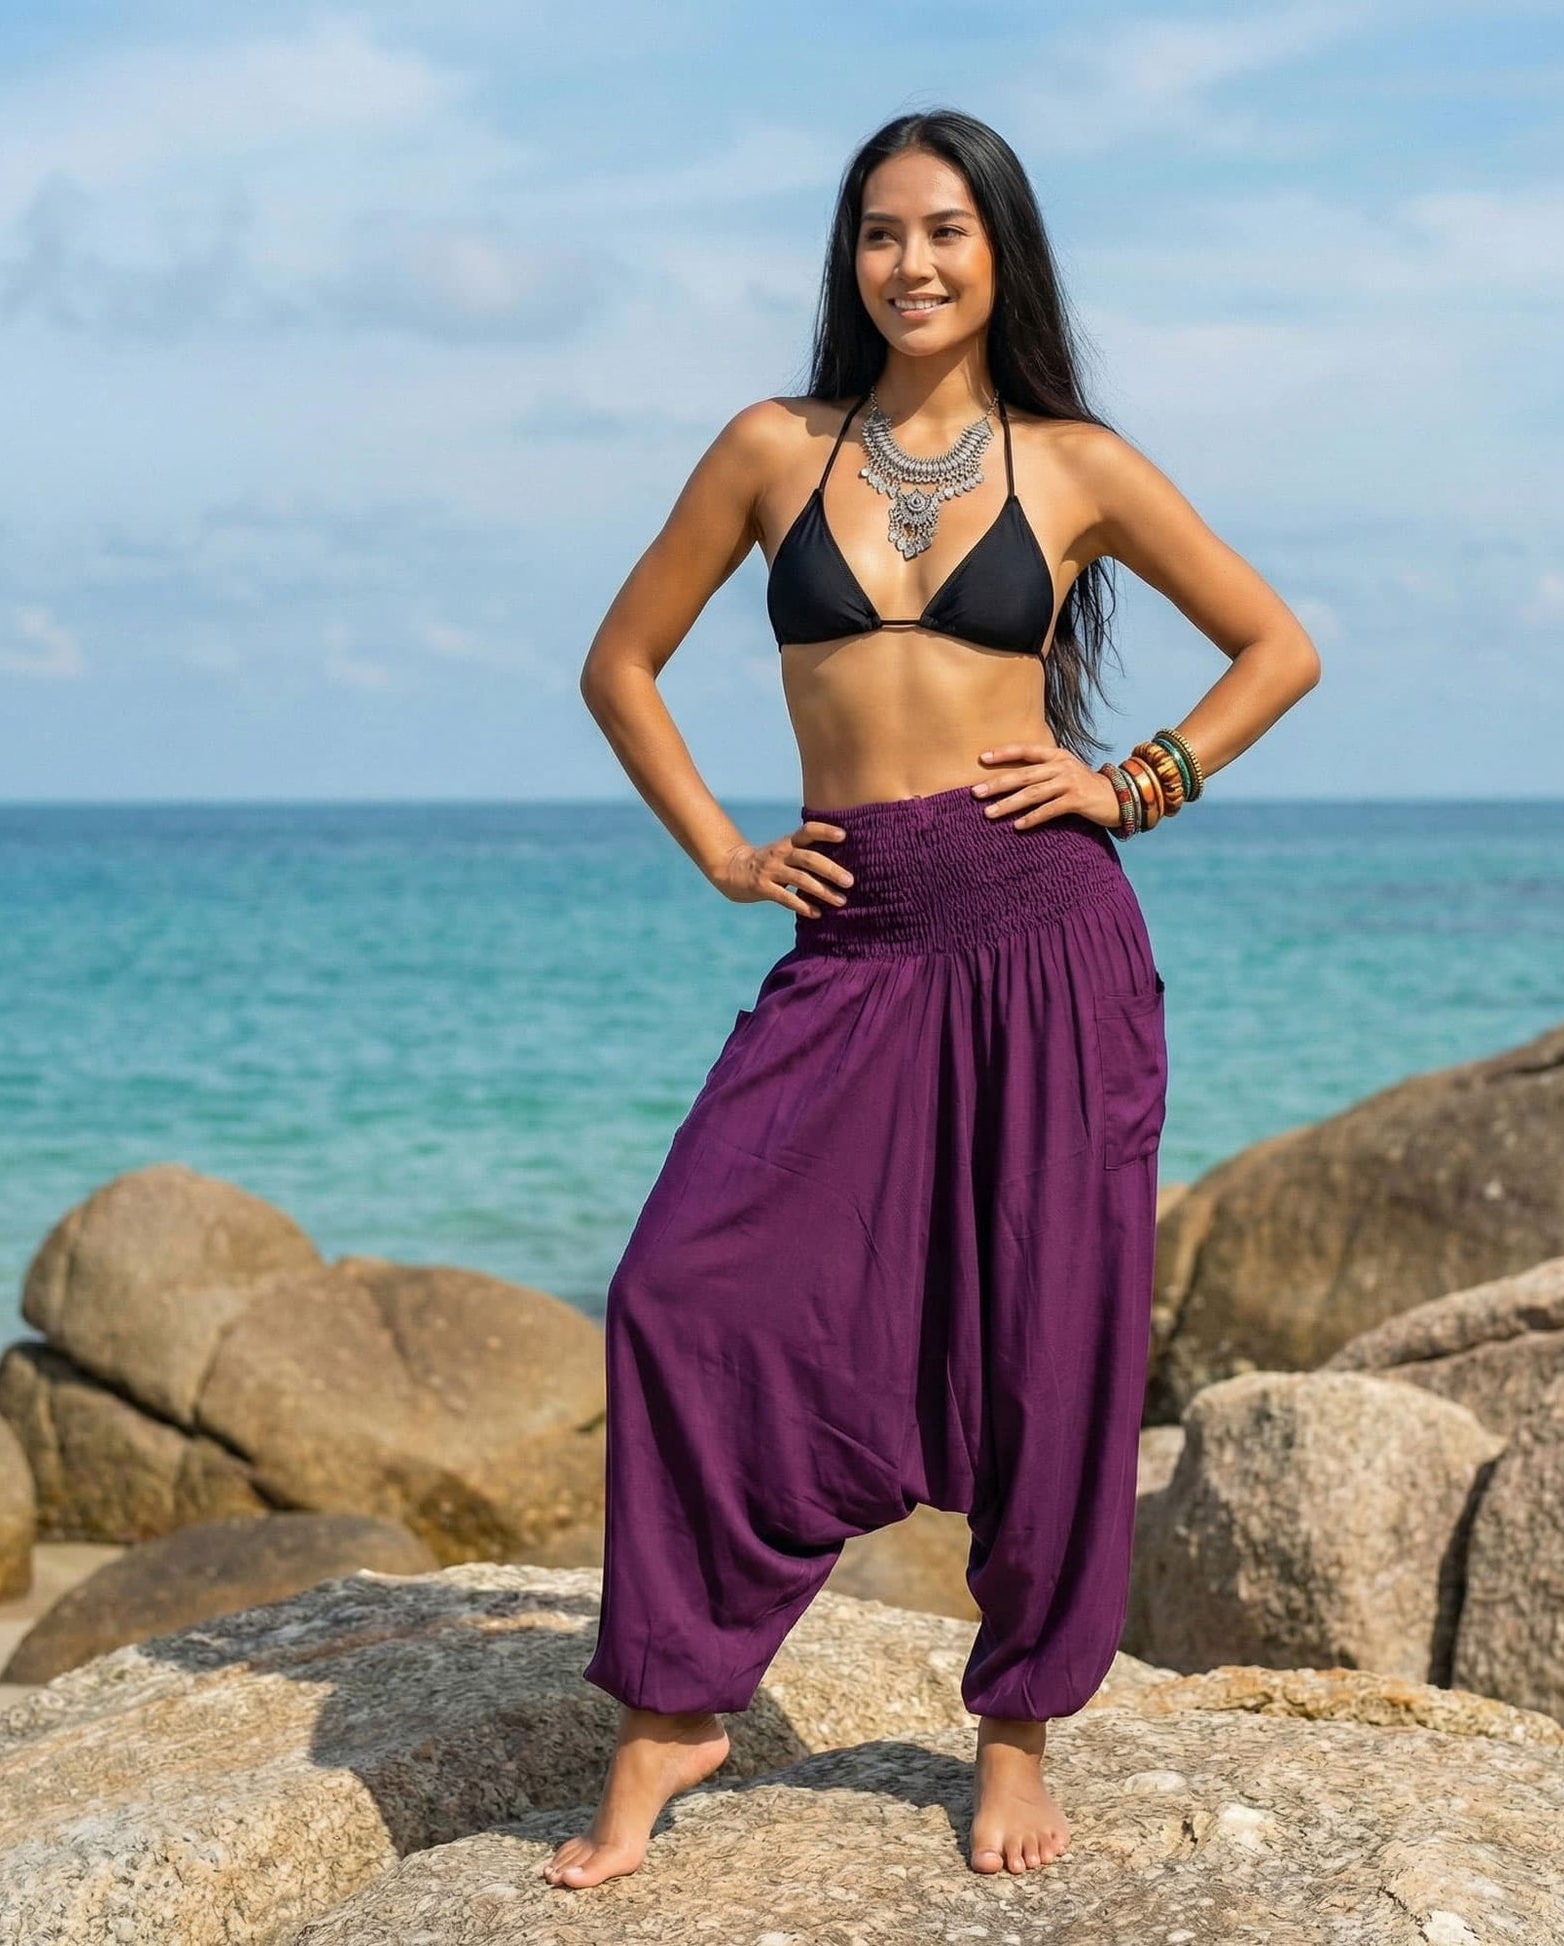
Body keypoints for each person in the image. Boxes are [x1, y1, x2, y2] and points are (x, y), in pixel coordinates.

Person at [540, 108, 1320, 1892]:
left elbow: (1275, 647)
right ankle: (677, 1699)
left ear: (1000, 254)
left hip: (1046, 929)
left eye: (946, 232)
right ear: (849, 258)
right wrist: (726, 855)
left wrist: (1135, 783)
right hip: (854, 934)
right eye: (881, 233)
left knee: (1053, 1333)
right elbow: (619, 661)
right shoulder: (768, 447)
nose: (911, 262)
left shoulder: (1074, 465)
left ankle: (1019, 1723)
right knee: (681, 1282)